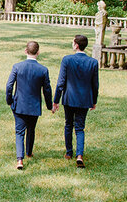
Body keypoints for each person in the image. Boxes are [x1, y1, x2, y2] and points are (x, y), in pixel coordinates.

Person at [53, 34, 100, 168]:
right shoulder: (93, 62)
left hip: (69, 98)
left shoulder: (67, 60)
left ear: (76, 45)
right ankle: (79, 155)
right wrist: (94, 100)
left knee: (68, 124)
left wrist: (56, 100)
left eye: (73, 42)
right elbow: (95, 85)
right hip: (84, 99)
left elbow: (60, 83)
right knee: (80, 127)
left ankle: (69, 152)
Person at [5, 41, 53, 170]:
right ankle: (29, 152)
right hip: (34, 105)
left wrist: (9, 101)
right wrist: (50, 106)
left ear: (26, 51)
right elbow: (47, 90)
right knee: (31, 129)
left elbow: (9, 85)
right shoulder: (43, 70)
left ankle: (20, 159)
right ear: (38, 52)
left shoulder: (17, 66)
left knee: (19, 132)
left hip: (19, 104)